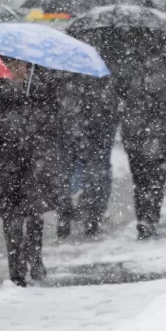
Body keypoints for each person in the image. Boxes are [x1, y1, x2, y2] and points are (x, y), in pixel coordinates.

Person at [0, 60, 65, 285]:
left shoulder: (42, 83)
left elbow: (56, 117)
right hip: (6, 160)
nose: (19, 69)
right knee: (11, 217)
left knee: (34, 213)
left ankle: (35, 256)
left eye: (22, 65)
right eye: (13, 65)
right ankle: (16, 270)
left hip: (34, 160)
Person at [118, 34, 166, 240]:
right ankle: (150, 216)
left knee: (141, 177)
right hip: (157, 128)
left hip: (135, 129)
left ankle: (144, 217)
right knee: (155, 175)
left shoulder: (127, 61)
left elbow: (118, 93)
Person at [57, 73, 120, 238]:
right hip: (90, 133)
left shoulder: (62, 79)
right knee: (96, 175)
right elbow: (107, 107)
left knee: (68, 173)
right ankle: (91, 218)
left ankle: (68, 215)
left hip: (76, 132)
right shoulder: (98, 78)